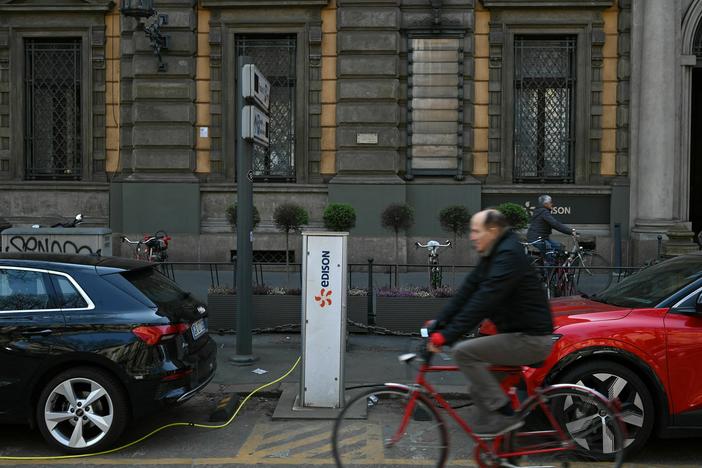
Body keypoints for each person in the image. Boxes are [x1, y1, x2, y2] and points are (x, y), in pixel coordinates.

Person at [427, 209, 554, 436]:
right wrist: (440, 323)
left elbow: (484, 300)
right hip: (519, 334)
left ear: (493, 231)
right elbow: (467, 292)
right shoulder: (493, 254)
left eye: (476, 231)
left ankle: (506, 416)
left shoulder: (508, 256)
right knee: (479, 391)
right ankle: (502, 451)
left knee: (463, 353)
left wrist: (447, 336)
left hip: (530, 339)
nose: (472, 236)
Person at [526, 194, 576, 263]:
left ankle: (556, 268)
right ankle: (548, 271)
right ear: (546, 204)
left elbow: (554, 224)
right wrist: (570, 231)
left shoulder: (540, 211)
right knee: (550, 255)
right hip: (537, 239)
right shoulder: (544, 212)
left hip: (542, 238)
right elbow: (555, 224)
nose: (552, 204)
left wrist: (569, 231)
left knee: (559, 247)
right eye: (550, 202)